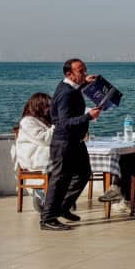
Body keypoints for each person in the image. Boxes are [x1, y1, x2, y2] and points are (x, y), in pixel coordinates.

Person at [42, 59, 101, 231]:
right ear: (69, 74)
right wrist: (89, 116)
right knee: (59, 179)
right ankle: (47, 218)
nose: (84, 73)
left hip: (76, 141)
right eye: (81, 71)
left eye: (85, 70)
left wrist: (85, 83)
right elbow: (64, 122)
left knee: (83, 174)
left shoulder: (70, 87)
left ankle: (63, 208)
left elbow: (75, 91)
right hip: (64, 142)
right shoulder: (66, 93)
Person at [15, 92, 54, 212]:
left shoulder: (43, 121)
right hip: (33, 157)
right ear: (39, 106)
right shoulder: (28, 122)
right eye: (48, 106)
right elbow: (45, 139)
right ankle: (43, 193)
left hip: (43, 155)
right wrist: (58, 125)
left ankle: (55, 197)